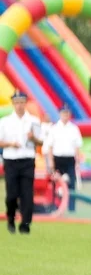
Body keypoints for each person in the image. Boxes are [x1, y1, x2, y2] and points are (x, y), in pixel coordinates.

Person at [0, 90, 43, 234]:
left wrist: (33, 138)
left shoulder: (33, 121)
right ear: (13, 103)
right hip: (11, 160)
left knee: (27, 194)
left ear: (26, 103)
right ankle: (11, 218)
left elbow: (40, 142)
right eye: (17, 102)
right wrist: (11, 144)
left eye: (22, 102)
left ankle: (25, 224)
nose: (19, 105)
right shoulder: (5, 121)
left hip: (27, 160)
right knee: (12, 194)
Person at [44, 104, 83, 212]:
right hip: (58, 159)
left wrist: (77, 160)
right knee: (56, 184)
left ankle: (71, 208)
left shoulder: (74, 129)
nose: (65, 115)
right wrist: (51, 162)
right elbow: (50, 147)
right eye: (63, 113)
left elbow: (77, 146)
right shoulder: (54, 128)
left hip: (70, 159)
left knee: (71, 184)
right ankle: (55, 206)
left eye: (67, 113)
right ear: (60, 114)